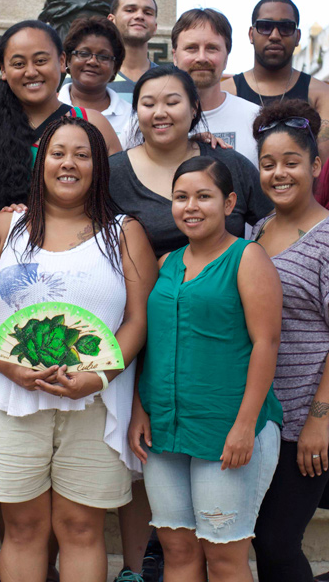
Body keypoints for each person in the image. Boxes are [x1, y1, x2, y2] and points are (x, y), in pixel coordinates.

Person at [0, 115, 157, 582]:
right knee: (23, 528)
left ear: (99, 167)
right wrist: (9, 365)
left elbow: (137, 321)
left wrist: (100, 374)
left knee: (81, 527)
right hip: (9, 398)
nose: (69, 163)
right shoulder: (4, 228)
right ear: (40, 162)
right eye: (58, 153)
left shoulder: (124, 233)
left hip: (97, 400)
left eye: (82, 155)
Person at [130, 154, 283, 582]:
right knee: (177, 552)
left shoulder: (247, 258)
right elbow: (154, 346)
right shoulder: (167, 264)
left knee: (223, 558)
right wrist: (142, 409)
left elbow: (266, 344)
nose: (191, 206)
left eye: (204, 196)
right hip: (166, 428)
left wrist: (245, 425)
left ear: (230, 202)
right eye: (181, 197)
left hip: (227, 427)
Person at [247, 100, 329, 581]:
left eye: (292, 163)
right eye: (269, 164)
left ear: (315, 166)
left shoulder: (325, 238)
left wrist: (320, 419)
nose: (280, 173)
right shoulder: (258, 232)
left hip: (308, 420)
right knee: (262, 538)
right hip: (265, 420)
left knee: (277, 542)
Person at [109, 65, 272, 259]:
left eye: (172, 103)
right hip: (146, 289)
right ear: (136, 110)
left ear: (194, 107)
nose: (159, 113)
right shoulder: (112, 173)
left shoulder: (229, 163)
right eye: (148, 104)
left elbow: (274, 222)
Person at [0, 20, 121, 210]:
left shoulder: (94, 123)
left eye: (41, 61)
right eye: (18, 64)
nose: (31, 72)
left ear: (62, 61)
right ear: (3, 69)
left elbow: (119, 197)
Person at [222, 0, 329, 163]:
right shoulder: (226, 92)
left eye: (285, 27)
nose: (274, 35)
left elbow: (324, 166)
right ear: (251, 34)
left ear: (298, 37)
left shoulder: (321, 94)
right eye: (265, 26)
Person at [172, 8, 259, 166]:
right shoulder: (149, 120)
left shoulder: (256, 119)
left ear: (226, 58)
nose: (202, 57)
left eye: (212, 48)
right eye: (191, 48)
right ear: (174, 56)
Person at [60, 17, 132, 145]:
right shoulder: (49, 108)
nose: (92, 61)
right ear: (69, 60)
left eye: (103, 56)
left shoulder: (131, 117)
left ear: (115, 67)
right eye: (83, 53)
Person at [107, 0, 158, 103]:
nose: (139, 16)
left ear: (155, 27)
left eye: (148, 13)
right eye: (130, 10)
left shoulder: (169, 80)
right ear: (111, 21)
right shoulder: (88, 75)